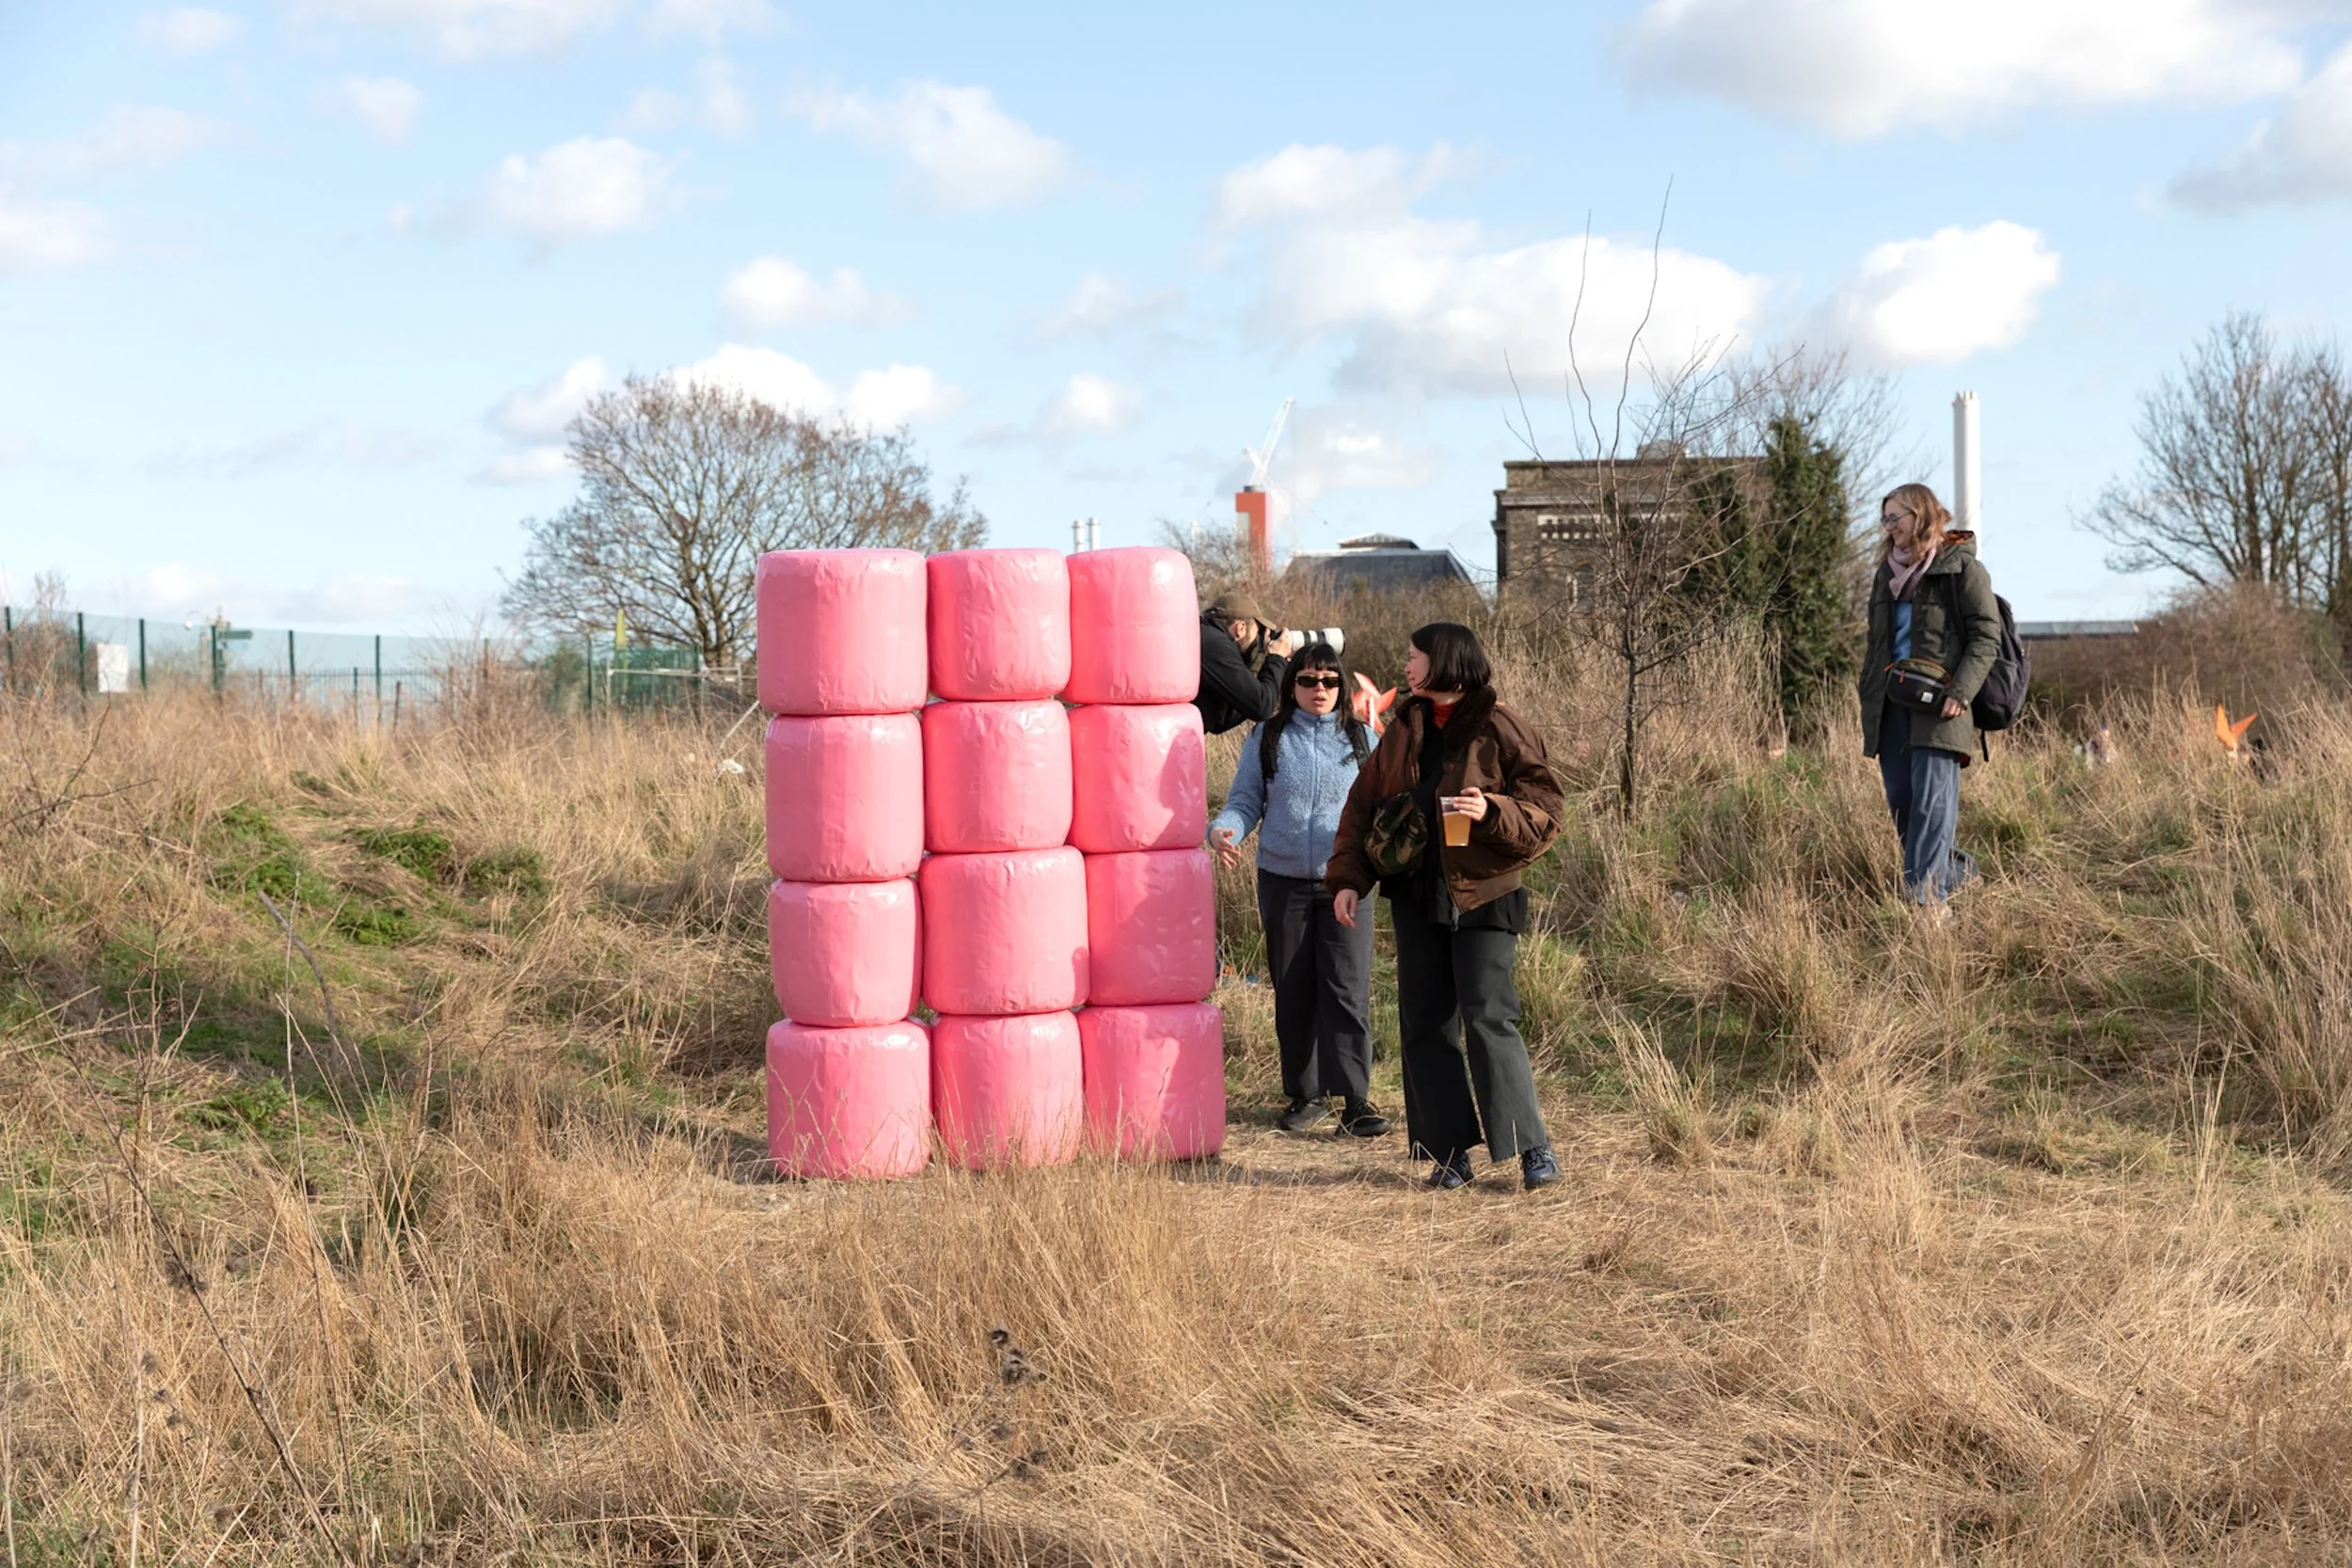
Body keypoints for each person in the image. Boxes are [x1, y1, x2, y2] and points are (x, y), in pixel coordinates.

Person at [1326, 623, 1566, 1192]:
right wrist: (1348, 879)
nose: (1406, 665)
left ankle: (1531, 1146)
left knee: (1488, 1018)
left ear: (1446, 661)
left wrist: (1493, 811)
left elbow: (1547, 809)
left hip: (1486, 894)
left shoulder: (1500, 724)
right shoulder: (1403, 726)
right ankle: (1450, 1153)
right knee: (1425, 1026)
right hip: (1417, 895)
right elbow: (1362, 806)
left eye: (1414, 656)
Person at [1210, 641, 1391, 1138]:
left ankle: (1355, 1101)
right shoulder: (1267, 737)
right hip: (1282, 881)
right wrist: (1224, 830)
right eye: (1308, 680)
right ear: (1292, 686)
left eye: (1329, 681)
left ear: (1341, 686)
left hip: (1347, 883)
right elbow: (1246, 800)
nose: (1319, 689)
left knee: (1347, 988)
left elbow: (1383, 808)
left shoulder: (1363, 739)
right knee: (1293, 990)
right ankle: (1305, 1096)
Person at [1859, 483, 2001, 918]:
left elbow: (1986, 637)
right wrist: (1868, 692)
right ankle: (1959, 872)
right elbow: (1877, 643)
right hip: (1891, 704)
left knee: (1932, 804)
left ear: (1920, 515)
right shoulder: (1884, 574)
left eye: (1895, 517)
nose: (1888, 526)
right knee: (1903, 802)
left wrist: (1961, 692)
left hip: (1943, 706)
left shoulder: (1962, 569)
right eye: (1885, 518)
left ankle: (1926, 904)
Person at [1195, 592, 1295, 736]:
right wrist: (1276, 659)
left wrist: (1276, 675)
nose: (1259, 640)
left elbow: (1221, 719)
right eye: (1258, 632)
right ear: (1240, 628)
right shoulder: (1215, 645)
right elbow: (1262, 707)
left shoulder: (1204, 636)